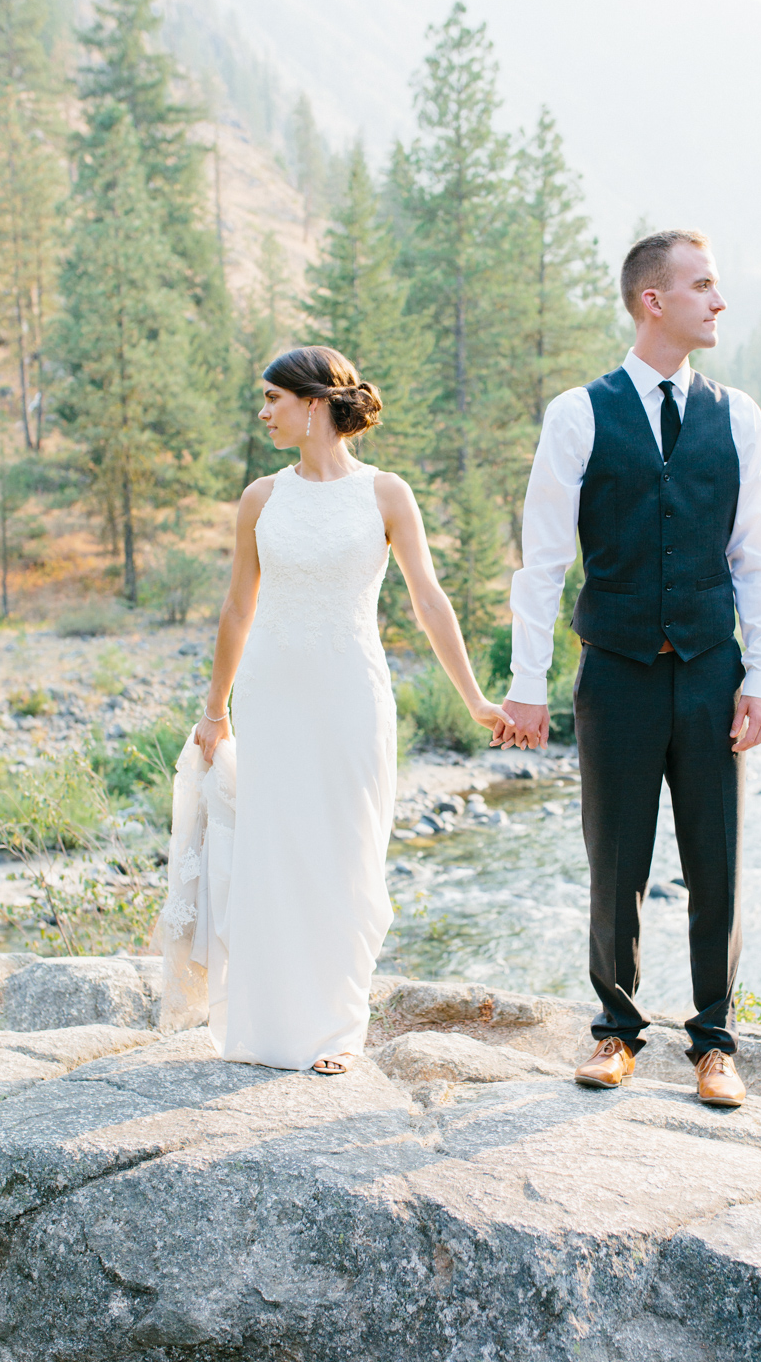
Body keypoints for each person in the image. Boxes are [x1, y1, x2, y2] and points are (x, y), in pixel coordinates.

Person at [494, 230, 761, 1108]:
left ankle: (714, 1044)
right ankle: (616, 1034)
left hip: (710, 672)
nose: (718, 301)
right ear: (652, 300)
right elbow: (542, 562)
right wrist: (527, 684)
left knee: (717, 862)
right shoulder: (578, 413)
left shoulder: (739, 416)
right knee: (614, 859)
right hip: (615, 672)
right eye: (703, 286)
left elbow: (756, 558)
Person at [160, 345, 510, 1074]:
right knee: (275, 857)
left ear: (313, 402)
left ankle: (339, 1032)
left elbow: (428, 601)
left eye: (272, 399)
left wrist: (474, 698)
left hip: (352, 695)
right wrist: (214, 709)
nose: (263, 413)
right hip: (273, 697)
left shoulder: (386, 494)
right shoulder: (261, 497)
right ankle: (271, 1029)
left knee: (348, 856)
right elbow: (236, 609)